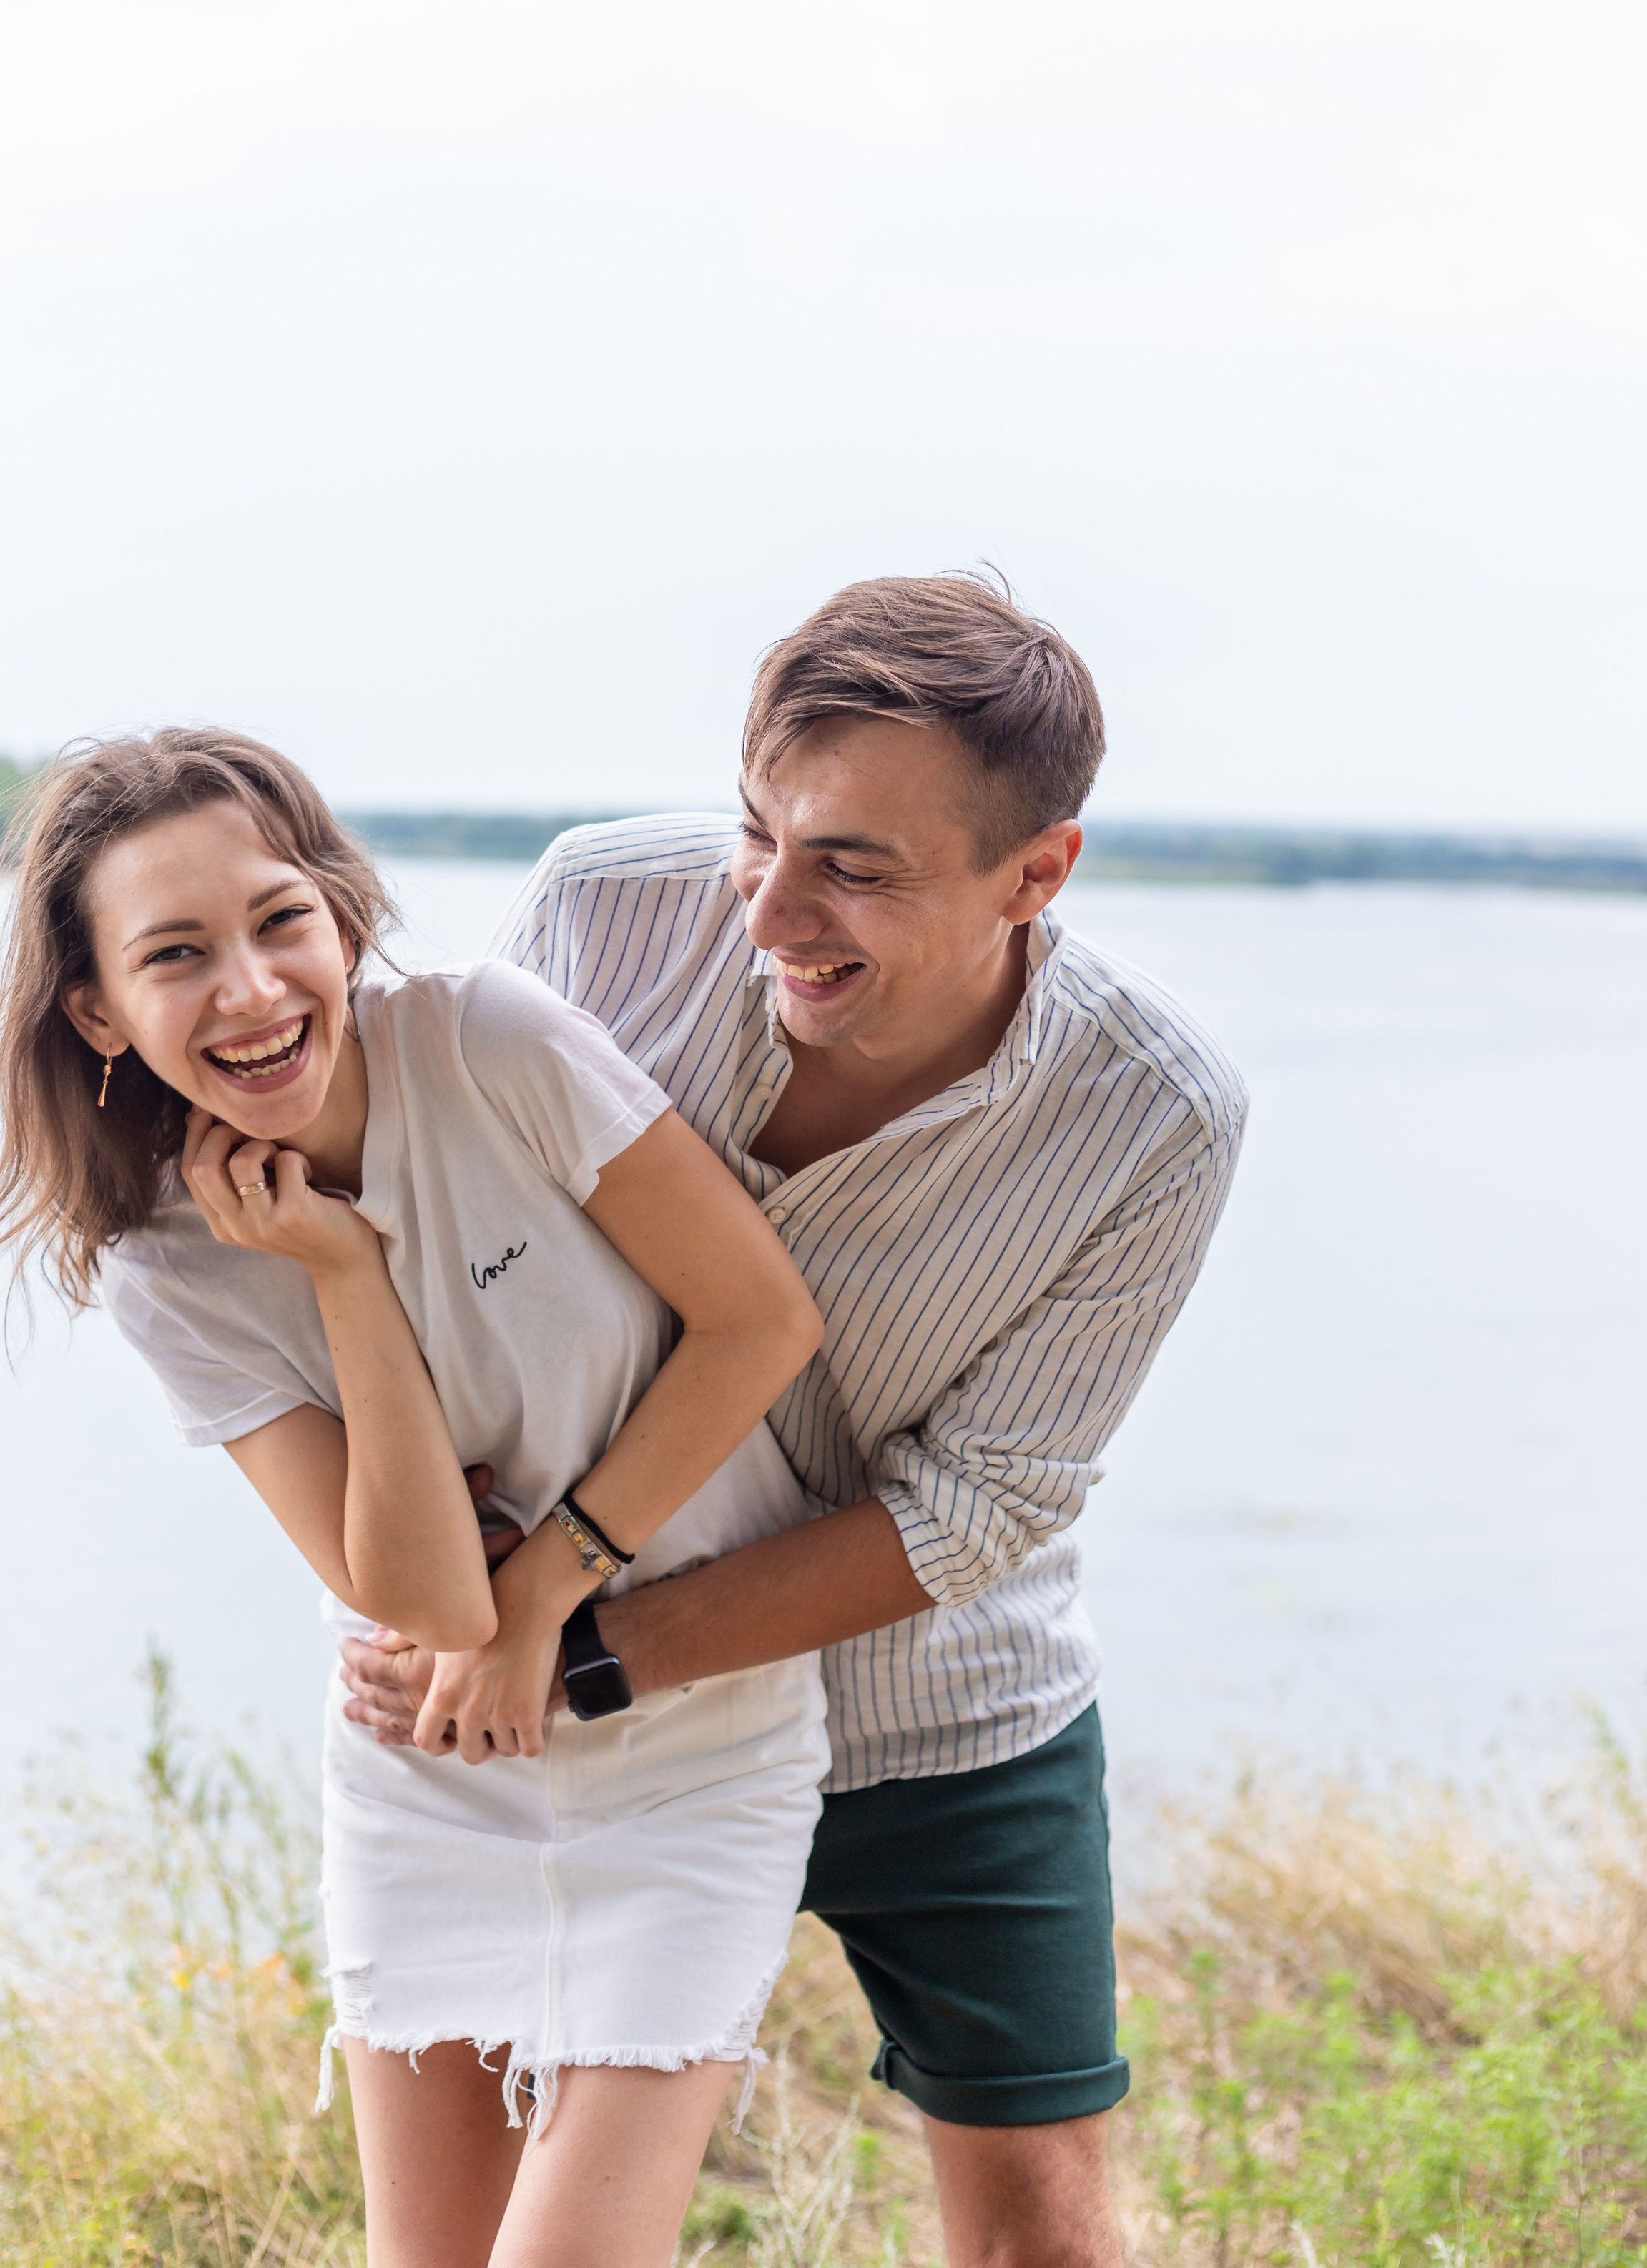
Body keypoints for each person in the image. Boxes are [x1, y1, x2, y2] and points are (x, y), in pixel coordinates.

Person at [342, 571, 1249, 2268]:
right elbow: (447, 1246)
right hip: (569, 1725)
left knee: (1046, 2239)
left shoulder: (1155, 1115)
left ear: (1035, 873)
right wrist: (465, 1586)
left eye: (852, 867)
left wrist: (573, 1641)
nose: (765, 912)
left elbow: (977, 1507)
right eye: (754, 831)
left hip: (936, 1723)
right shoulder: (599, 908)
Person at [0, 730, 835, 2268]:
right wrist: (347, 1274)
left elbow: (761, 1321)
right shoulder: (168, 1266)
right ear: (96, 1009)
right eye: (174, 955)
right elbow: (420, 1600)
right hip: (433, 1777)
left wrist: (542, 1594)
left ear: (340, 915)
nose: (252, 991)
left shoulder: (488, 1043)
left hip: (695, 1762)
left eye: (280, 920)